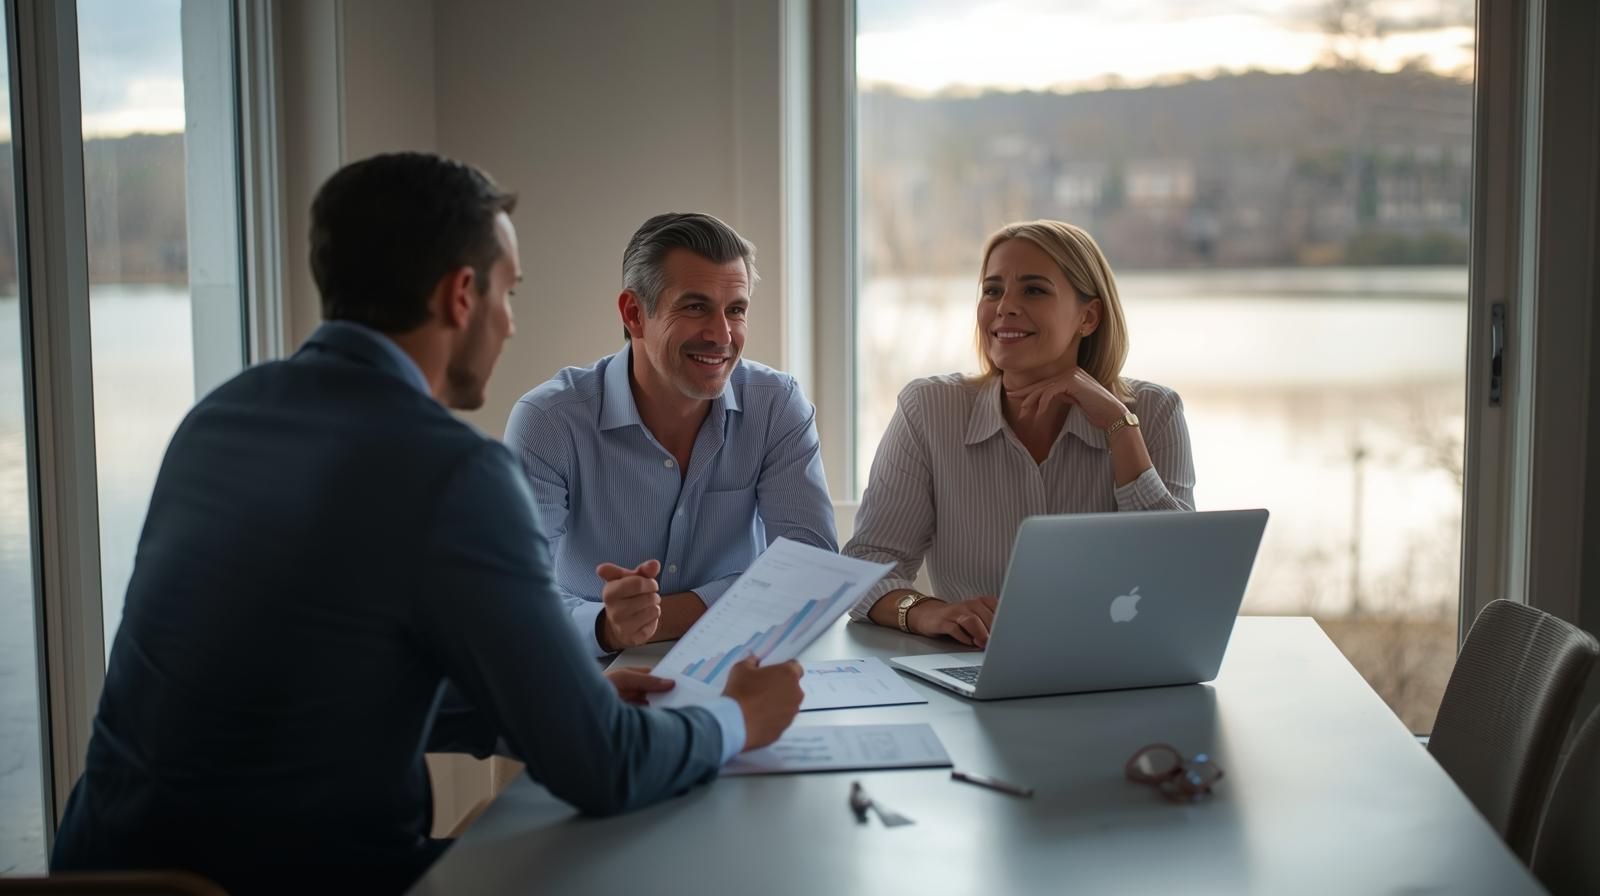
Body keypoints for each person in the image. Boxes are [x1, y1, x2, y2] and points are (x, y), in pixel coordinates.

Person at [49, 153, 804, 895]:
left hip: (103, 871)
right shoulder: (456, 475)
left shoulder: (216, 420)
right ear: (460, 296)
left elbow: (316, 685)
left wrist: (559, 698)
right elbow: (602, 769)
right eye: (509, 294)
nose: (510, 325)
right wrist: (737, 720)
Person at [844, 220, 1195, 646]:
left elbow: (1179, 580)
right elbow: (867, 568)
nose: (1005, 307)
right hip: (975, 665)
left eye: (1034, 290)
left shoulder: (1155, 412)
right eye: (992, 290)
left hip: (1115, 669)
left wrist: (1119, 427)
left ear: (1088, 316)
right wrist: (927, 613)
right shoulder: (930, 410)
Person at [504, 212, 837, 657]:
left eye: (736, 310)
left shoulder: (776, 405)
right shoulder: (549, 421)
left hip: (739, 664)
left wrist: (654, 618)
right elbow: (514, 598)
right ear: (634, 313)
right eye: (695, 306)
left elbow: (812, 574)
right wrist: (605, 627)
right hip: (593, 675)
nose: (722, 335)